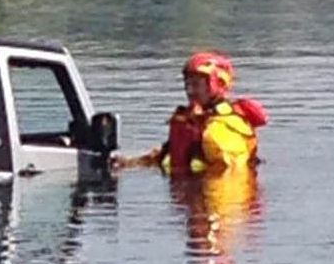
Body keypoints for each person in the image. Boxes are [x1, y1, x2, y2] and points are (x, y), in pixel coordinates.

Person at [113, 51, 268, 175]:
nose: (189, 91)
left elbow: (230, 173)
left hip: (209, 200)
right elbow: (168, 154)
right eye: (187, 85)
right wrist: (130, 163)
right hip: (187, 197)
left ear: (217, 84)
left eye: (196, 85)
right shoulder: (193, 118)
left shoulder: (223, 127)